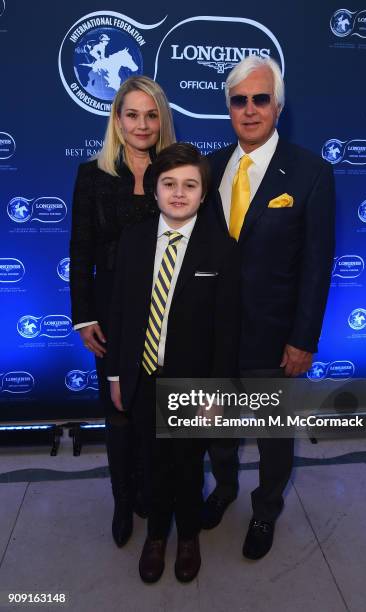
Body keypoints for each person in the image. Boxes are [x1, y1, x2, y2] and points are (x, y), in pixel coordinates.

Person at [204, 56, 336, 560]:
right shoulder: (209, 166)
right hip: (213, 334)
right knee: (214, 425)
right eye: (240, 101)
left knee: (272, 437)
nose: (250, 109)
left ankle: (265, 509)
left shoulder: (311, 172)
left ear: (277, 106)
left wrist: (303, 339)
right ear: (229, 109)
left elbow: (317, 265)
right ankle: (223, 489)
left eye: (261, 99)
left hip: (274, 336)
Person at [107, 143, 240, 583]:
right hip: (143, 377)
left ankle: (187, 537)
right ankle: (156, 536)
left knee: (186, 467)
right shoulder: (134, 240)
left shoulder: (220, 250)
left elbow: (226, 330)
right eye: (169, 184)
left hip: (193, 384)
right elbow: (120, 314)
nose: (178, 194)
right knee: (151, 463)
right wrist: (115, 374)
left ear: (204, 194)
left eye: (190, 185)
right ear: (155, 190)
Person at [69, 75, 176, 549]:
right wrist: (83, 316)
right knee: (118, 410)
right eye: (132, 114)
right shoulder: (92, 174)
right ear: (117, 119)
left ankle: (150, 492)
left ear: (161, 119)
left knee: (153, 406)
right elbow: (80, 249)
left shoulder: (175, 171)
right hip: (110, 310)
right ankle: (121, 497)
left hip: (163, 306)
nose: (142, 124)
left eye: (151, 114)